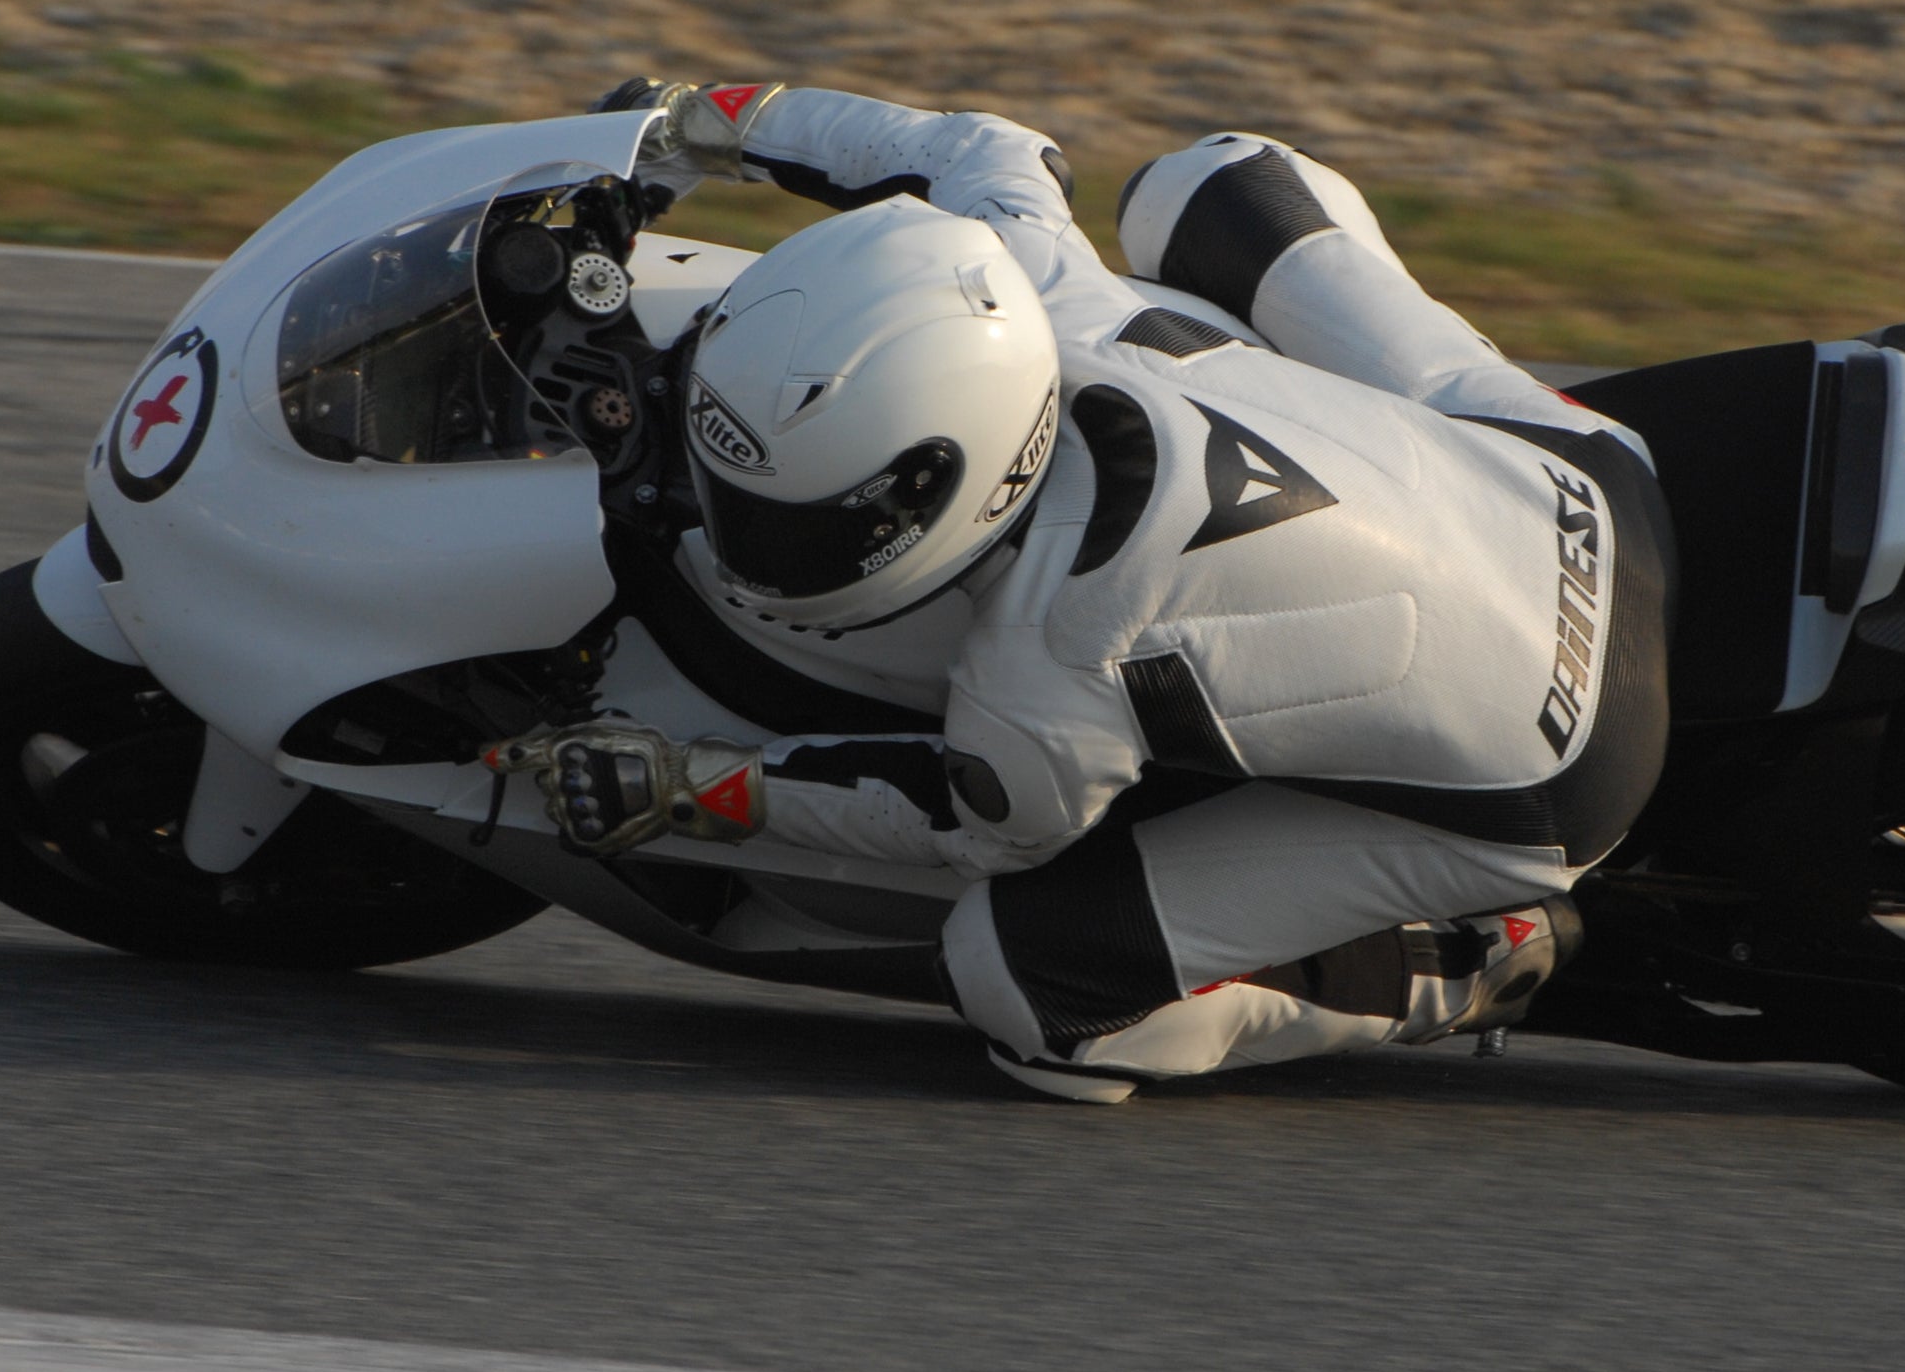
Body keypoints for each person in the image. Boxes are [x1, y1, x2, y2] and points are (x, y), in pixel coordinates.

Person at [535, 79, 1670, 1100]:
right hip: (1577, 478)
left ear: (944, 496)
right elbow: (980, 147)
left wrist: (694, 786)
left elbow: (972, 819)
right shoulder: (1024, 285)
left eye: (792, 522)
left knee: (1032, 995)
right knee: (1217, 176)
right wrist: (707, 120)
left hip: (1560, 767)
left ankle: (1472, 958)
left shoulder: (1054, 651)